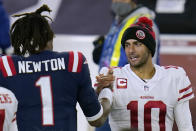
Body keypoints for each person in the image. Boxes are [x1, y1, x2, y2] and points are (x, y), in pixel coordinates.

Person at [0, 5, 111, 131]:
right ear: (50, 36)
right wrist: (107, 92)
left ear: (21, 41)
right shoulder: (73, 62)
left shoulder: (7, 66)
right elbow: (96, 119)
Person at [95, 17, 194, 131]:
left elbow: (185, 127)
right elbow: (99, 118)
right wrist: (97, 94)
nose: (131, 50)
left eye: (137, 44)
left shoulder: (175, 76)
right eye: (127, 45)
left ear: (149, 48)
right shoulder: (112, 74)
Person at [93, 0, 160, 130]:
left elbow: (148, 69)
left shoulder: (143, 26)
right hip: (108, 93)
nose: (116, 2)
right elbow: (115, 55)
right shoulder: (119, 21)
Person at [93, 0, 160, 70]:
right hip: (111, 79)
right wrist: (103, 54)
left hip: (127, 80)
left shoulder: (143, 24)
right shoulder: (118, 21)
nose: (117, 1)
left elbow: (147, 68)